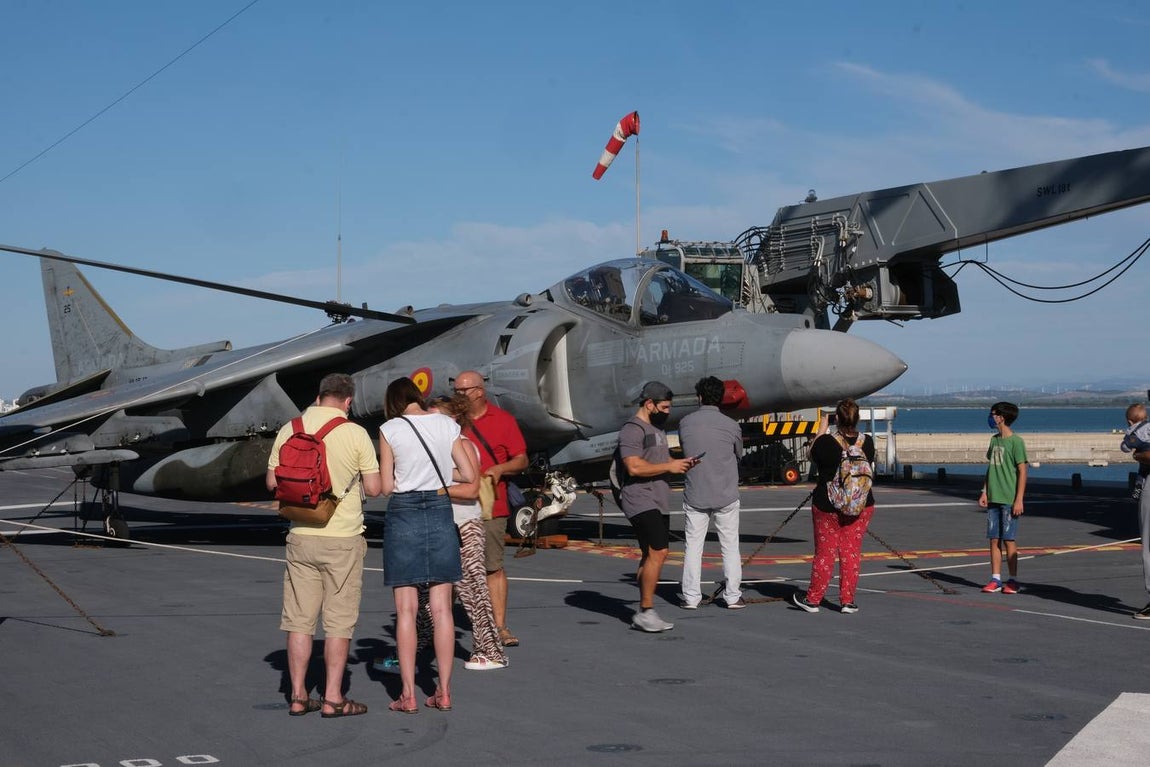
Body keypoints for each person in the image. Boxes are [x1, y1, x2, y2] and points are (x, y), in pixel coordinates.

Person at [266, 373, 382, 718]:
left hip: (300, 534)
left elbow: (272, 481)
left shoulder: (291, 428)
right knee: (338, 623)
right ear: (348, 401)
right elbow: (374, 489)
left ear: (319, 397)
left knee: (299, 621)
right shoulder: (355, 433)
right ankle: (332, 698)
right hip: (343, 538)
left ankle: (298, 696)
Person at [379, 377, 471, 713]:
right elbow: (468, 473)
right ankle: (443, 691)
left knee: (406, 609)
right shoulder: (446, 424)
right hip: (439, 507)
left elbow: (386, 486)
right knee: (442, 608)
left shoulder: (390, 429)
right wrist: (441, 474)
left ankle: (408, 694)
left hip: (404, 511)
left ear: (393, 401)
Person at [431, 394, 509, 670]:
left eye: (436, 417)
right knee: (426, 594)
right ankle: (415, 649)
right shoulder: (434, 447)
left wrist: (435, 488)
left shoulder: (464, 446)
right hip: (439, 525)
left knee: (473, 591)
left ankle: (491, 651)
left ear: (452, 419)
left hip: (465, 525)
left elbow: (471, 489)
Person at [453, 370, 528, 648]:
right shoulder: (450, 421)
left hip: (490, 505)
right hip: (454, 504)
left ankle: (500, 626)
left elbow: (522, 459)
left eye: (463, 391)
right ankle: (439, 625)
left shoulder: (503, 420)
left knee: (492, 566)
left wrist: (500, 468)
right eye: (456, 390)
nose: (459, 395)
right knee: (450, 569)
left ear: (479, 391)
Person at [618, 381, 697, 632]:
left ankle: (644, 609)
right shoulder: (632, 430)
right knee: (659, 551)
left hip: (658, 499)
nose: (667, 412)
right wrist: (669, 466)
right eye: (664, 407)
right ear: (649, 404)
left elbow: (660, 460)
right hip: (640, 498)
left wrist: (679, 463)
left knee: (649, 554)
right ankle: (646, 610)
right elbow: (633, 466)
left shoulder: (657, 429)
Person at [791, 398, 876, 614]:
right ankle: (848, 601)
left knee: (825, 553)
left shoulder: (826, 442)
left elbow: (811, 455)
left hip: (828, 504)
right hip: (860, 504)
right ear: (857, 418)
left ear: (836, 418)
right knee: (851, 552)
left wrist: (822, 426)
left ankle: (813, 599)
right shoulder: (867, 442)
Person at [677, 376, 745, 610]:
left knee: (693, 547)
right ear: (721, 398)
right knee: (730, 546)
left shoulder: (685, 423)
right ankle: (733, 596)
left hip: (696, 493)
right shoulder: (731, 425)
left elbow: (685, 450)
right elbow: (739, 454)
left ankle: (691, 597)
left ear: (699, 397)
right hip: (725, 493)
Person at [977, 401, 1028, 595]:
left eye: (993, 414)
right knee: (994, 539)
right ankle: (995, 578)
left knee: (1009, 540)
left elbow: (1023, 471)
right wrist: (984, 491)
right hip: (993, 497)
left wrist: (1019, 499)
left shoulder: (1016, 442)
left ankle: (1013, 580)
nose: (990, 417)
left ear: (1001, 417)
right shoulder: (994, 440)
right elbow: (990, 468)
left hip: (1009, 498)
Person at [1120, 403, 1150, 500]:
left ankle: (1138, 487)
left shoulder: (1134, 432)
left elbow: (1126, 447)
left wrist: (1123, 446)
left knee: (1142, 472)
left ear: (1130, 422)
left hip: (1145, 453)